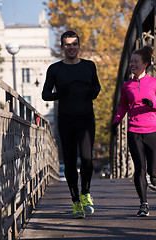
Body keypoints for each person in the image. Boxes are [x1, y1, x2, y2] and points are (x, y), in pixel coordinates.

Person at [42, 30, 101, 218]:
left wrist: (93, 92)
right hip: (66, 120)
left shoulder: (89, 66)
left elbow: (96, 85)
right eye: (67, 44)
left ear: (79, 45)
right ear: (62, 47)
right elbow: (45, 94)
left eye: (74, 44)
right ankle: (75, 201)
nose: (71, 47)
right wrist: (61, 93)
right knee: (69, 162)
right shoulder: (55, 69)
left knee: (86, 159)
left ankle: (85, 193)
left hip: (86, 119)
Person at [112, 45, 156, 217]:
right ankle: (143, 204)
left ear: (145, 64)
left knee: (153, 175)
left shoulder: (155, 83)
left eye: (136, 61)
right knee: (139, 169)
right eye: (131, 61)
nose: (132, 64)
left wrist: (154, 105)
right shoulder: (127, 85)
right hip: (134, 131)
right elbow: (123, 106)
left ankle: (155, 174)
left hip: (153, 131)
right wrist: (116, 122)